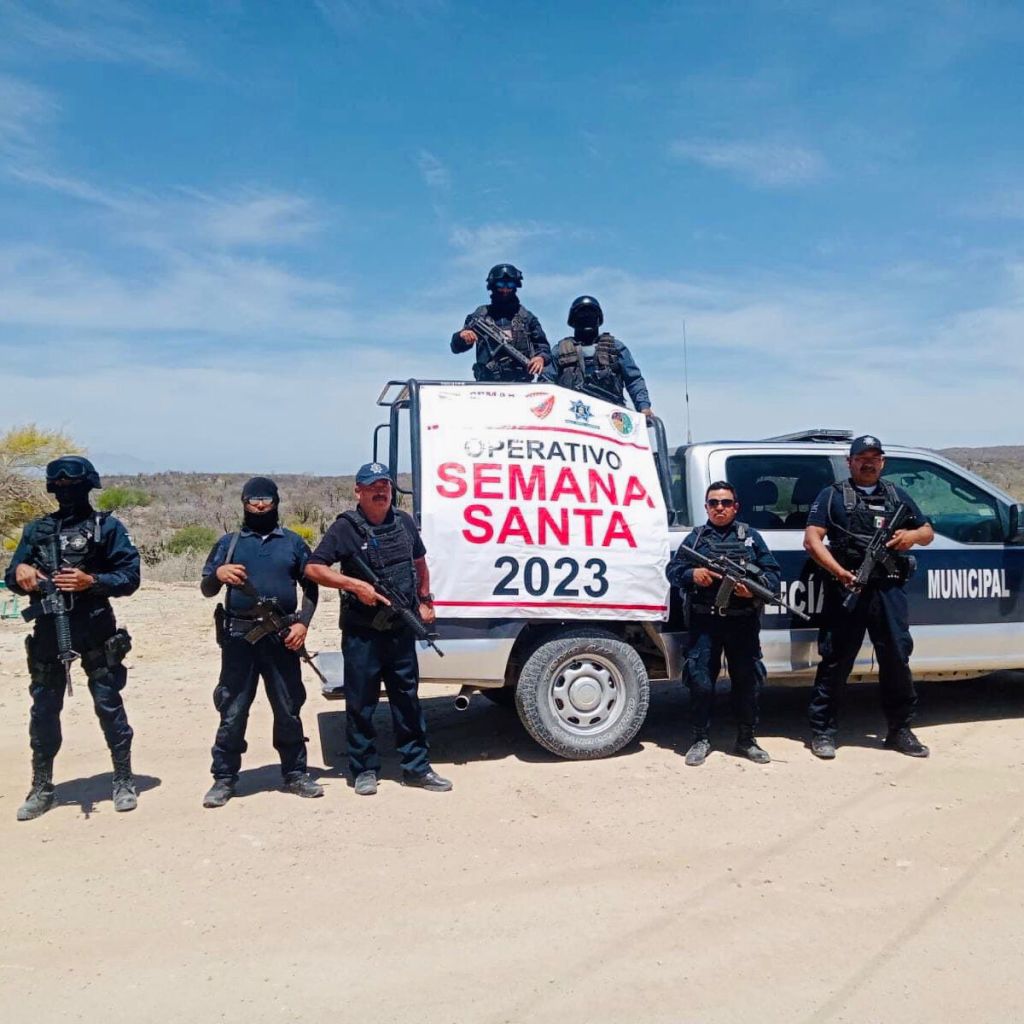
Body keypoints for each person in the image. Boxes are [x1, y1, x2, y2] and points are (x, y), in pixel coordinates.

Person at [4, 456, 140, 820]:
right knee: (45, 709)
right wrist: (22, 573)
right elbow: (11, 577)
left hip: (94, 627)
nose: (66, 490)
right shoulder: (37, 530)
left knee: (109, 704)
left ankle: (123, 778)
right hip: (49, 628)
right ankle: (42, 785)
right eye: (59, 484)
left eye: (72, 484)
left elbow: (130, 576)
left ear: (88, 485)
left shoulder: (106, 528)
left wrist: (91, 582)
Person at [304, 462, 451, 795]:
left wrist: (425, 599)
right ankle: (363, 770)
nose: (381, 492)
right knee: (361, 702)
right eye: (372, 487)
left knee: (407, 701)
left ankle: (417, 768)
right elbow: (313, 568)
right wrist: (355, 585)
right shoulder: (346, 528)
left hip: (400, 629)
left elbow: (418, 561)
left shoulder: (403, 522)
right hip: (362, 633)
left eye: (385, 485)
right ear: (359, 491)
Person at [804, 435, 935, 759]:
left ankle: (899, 730)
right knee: (836, 659)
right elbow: (812, 539)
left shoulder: (896, 495)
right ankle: (823, 731)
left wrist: (911, 536)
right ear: (850, 462)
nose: (868, 462)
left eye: (874, 457)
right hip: (848, 586)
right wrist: (839, 571)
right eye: (861, 457)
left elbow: (928, 532)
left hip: (888, 589)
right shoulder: (832, 495)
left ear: (883, 462)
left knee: (896, 657)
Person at [200, 477, 323, 807]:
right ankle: (224, 778)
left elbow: (312, 588)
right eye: (252, 500)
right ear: (242, 502)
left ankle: (295, 773)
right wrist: (218, 574)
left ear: (276, 502)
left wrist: (303, 624)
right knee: (233, 709)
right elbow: (207, 588)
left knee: (288, 707)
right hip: (240, 638)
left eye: (265, 499)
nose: (258, 506)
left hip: (282, 637)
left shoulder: (294, 543)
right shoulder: (229, 543)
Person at [665, 481, 780, 766]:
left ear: (735, 506)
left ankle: (746, 740)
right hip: (706, 622)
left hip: (743, 623)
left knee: (747, 682)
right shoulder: (696, 538)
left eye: (726, 502)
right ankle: (700, 738)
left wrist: (752, 589)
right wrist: (693, 574)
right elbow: (673, 570)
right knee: (701, 682)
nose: (720, 508)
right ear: (706, 507)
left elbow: (773, 577)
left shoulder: (750, 538)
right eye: (714, 503)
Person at [450, 263, 554, 383]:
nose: (505, 289)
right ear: (493, 286)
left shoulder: (526, 317)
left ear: (515, 286)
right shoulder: (481, 315)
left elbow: (543, 346)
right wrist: (462, 336)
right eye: (501, 285)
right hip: (487, 386)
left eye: (509, 284)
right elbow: (456, 347)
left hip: (521, 385)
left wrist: (540, 358)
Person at [554, 295, 654, 416]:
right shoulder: (560, 350)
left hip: (610, 417)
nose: (586, 318)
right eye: (582, 315)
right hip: (569, 416)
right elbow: (546, 382)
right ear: (573, 320)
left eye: (590, 315)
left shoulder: (615, 348)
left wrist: (644, 407)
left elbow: (633, 380)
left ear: (598, 319)